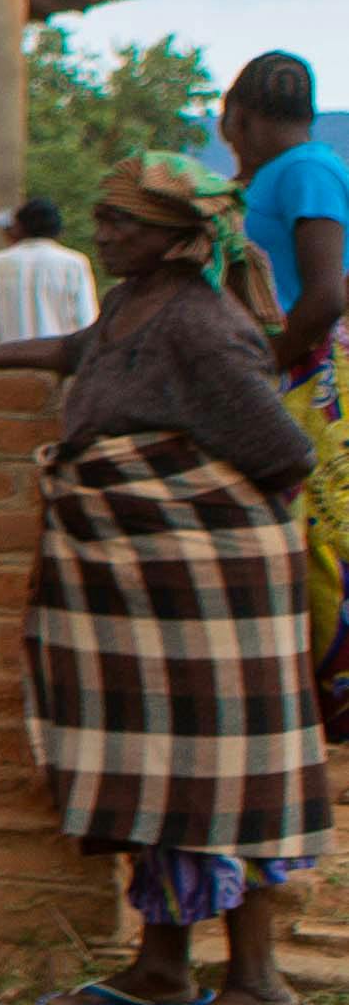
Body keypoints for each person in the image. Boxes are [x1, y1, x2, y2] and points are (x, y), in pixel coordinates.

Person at [0, 160, 326, 1005]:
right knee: (151, 763)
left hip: (212, 582)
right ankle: (162, 965)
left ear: (176, 236)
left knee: (224, 771)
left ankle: (259, 980)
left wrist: (175, 501)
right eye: (100, 219)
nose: (105, 236)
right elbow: (72, 353)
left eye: (122, 224)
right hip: (136, 583)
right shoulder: (138, 304)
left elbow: (284, 454)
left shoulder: (205, 326)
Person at [217, 52, 349, 729]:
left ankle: (336, 719)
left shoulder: (305, 171)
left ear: (235, 115)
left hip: (308, 379)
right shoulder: (288, 173)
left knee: (323, 543)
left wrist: (266, 369)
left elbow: (325, 294)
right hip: (295, 372)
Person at [0, 197, 96, 351]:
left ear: (20, 227)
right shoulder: (74, 263)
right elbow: (86, 320)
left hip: (10, 362)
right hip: (59, 362)